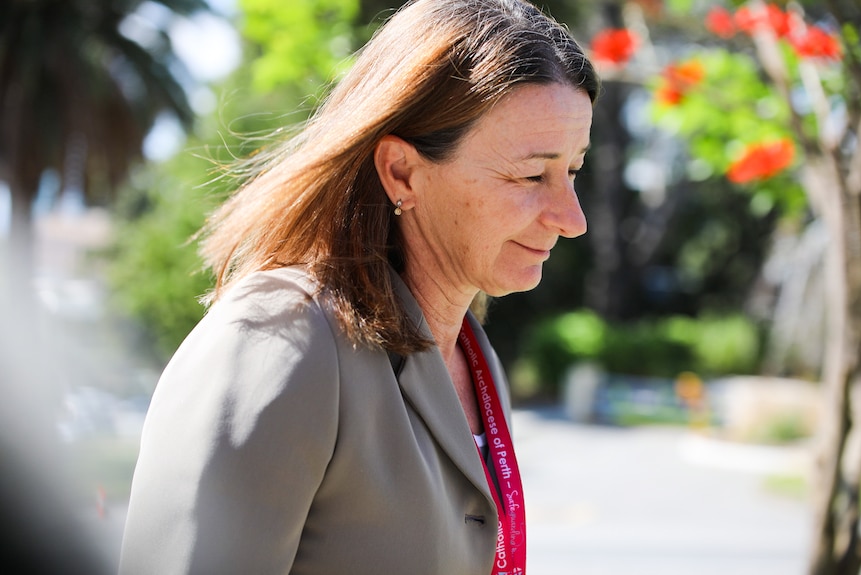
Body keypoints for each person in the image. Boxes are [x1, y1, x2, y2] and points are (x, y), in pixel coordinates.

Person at [119, 0, 598, 572]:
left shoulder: (475, 357)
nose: (572, 218)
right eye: (530, 175)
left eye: (572, 171)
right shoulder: (281, 340)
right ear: (400, 171)